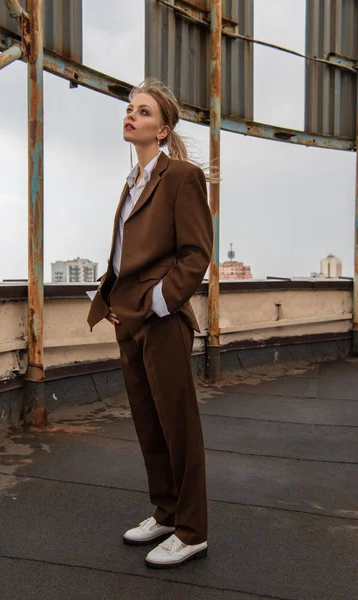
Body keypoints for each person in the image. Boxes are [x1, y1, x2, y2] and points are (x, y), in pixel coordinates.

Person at [87, 79, 213, 569]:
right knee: (148, 422)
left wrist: (159, 302)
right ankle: (165, 512)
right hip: (129, 318)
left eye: (141, 111)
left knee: (179, 426)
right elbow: (125, 255)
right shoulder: (131, 182)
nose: (130, 115)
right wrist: (109, 295)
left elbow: (196, 253)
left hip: (162, 321)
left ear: (162, 129)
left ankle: (192, 530)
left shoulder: (182, 176)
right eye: (128, 108)